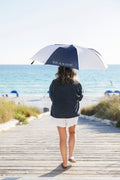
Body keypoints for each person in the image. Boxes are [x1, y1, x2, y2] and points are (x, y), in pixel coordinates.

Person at [49, 66, 83, 169]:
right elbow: (80, 97)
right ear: (72, 71)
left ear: (59, 71)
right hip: (72, 112)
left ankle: (64, 162)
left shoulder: (54, 83)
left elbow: (52, 97)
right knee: (72, 133)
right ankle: (71, 156)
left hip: (58, 113)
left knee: (62, 138)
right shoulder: (76, 83)